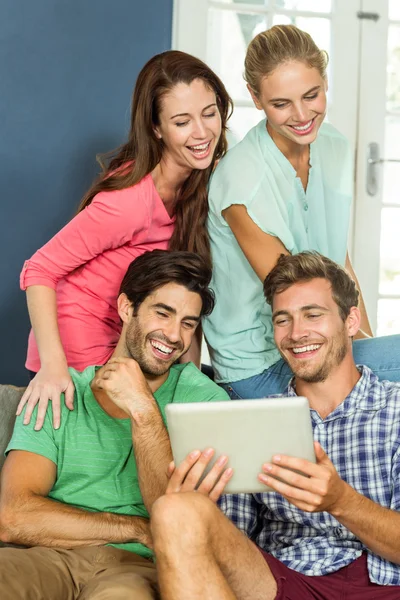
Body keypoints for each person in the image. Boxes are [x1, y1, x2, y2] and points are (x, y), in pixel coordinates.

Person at [150, 251, 400, 600]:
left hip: (380, 583)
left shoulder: (395, 409)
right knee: (174, 510)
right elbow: (232, 539)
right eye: (283, 320)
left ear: (350, 320)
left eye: (313, 315)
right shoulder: (250, 420)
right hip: (282, 581)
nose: (297, 333)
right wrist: (201, 507)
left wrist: (341, 501)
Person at [18, 49, 232, 428]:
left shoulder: (198, 185)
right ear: (156, 128)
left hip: (134, 333)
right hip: (81, 338)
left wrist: (190, 381)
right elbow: (39, 270)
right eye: (182, 122)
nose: (202, 133)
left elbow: (185, 290)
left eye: (209, 113)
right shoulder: (129, 203)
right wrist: (55, 367)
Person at [0, 250, 231, 600]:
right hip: (47, 558)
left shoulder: (206, 401)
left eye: (188, 323)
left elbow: (170, 518)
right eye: (162, 313)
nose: (173, 335)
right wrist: (134, 528)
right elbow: (13, 516)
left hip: (136, 570)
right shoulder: (61, 392)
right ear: (126, 308)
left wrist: (142, 407)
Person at [203, 24, 400, 398]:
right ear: (255, 98)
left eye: (312, 95)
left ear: (325, 81)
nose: (301, 114)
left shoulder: (334, 147)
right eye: (281, 104)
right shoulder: (241, 181)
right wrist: (372, 367)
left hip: (322, 339)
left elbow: (339, 266)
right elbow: (295, 295)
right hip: (262, 365)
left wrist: (369, 350)